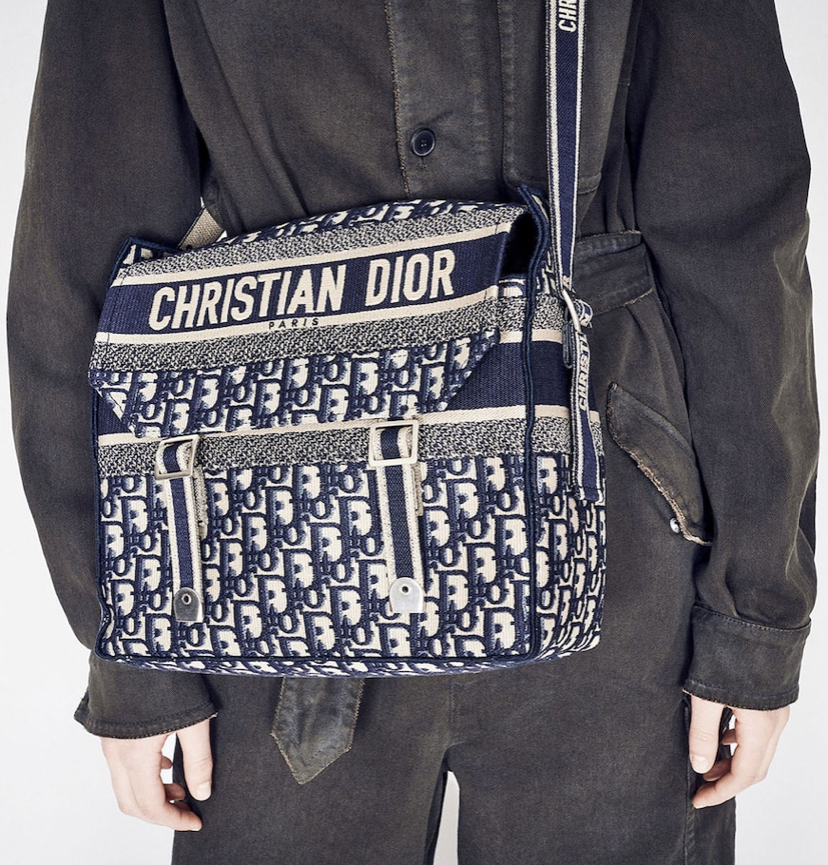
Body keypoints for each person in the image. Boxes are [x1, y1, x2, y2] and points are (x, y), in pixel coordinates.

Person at [7, 1, 816, 863]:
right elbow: (87, 230)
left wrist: (754, 610)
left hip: (609, 531)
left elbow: (733, 214)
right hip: (262, 539)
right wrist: (132, 647)